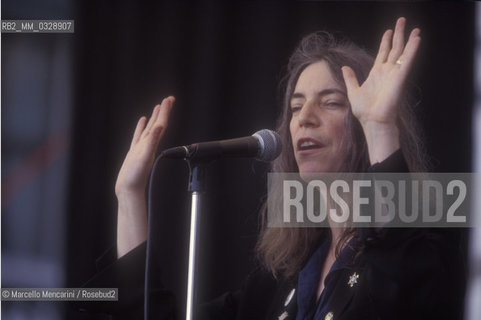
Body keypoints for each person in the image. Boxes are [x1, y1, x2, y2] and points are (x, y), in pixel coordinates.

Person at [80, 18, 463, 319]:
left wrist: (380, 127)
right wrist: (130, 195)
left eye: (330, 103)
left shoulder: (420, 245)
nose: (304, 119)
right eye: (295, 108)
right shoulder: (282, 281)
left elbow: (402, 289)